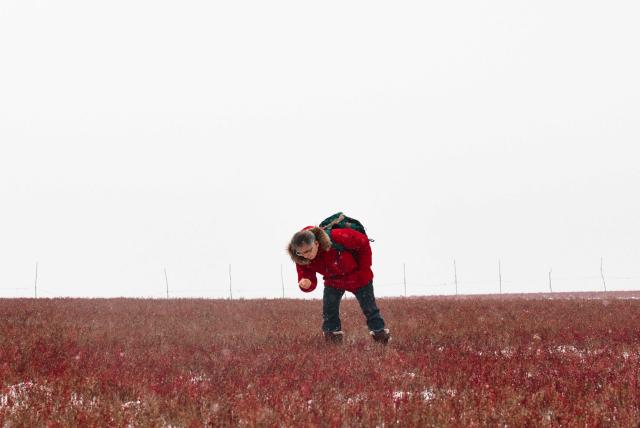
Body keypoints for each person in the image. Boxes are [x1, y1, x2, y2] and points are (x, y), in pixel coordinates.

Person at [287, 225, 391, 345]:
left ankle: (381, 339)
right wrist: (306, 283)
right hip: (333, 281)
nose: (306, 255)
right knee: (329, 312)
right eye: (301, 253)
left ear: (316, 243)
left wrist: (363, 270)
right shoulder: (300, 258)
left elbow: (363, 242)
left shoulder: (338, 236)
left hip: (357, 277)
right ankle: (333, 343)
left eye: (308, 250)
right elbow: (308, 279)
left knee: (370, 309)